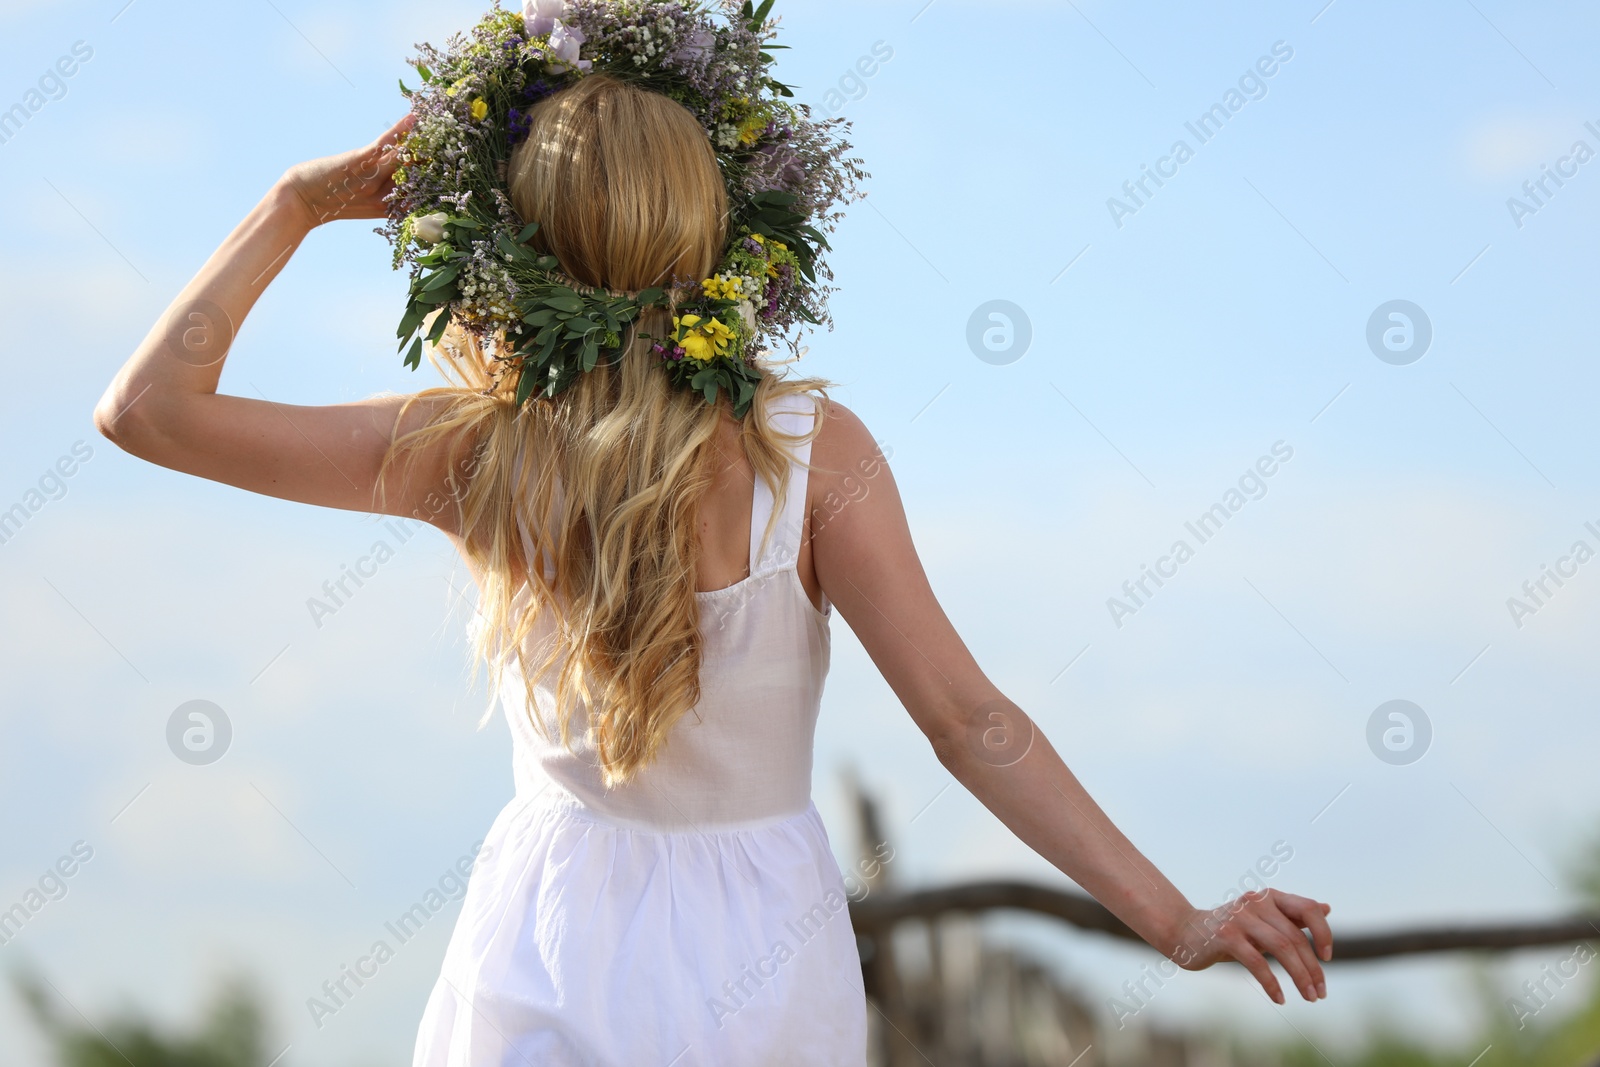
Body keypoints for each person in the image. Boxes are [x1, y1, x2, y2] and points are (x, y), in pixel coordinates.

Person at [94, 69, 1332, 1067]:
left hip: (548, 932)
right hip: (764, 945)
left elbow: (145, 412)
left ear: (512, 245)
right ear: (712, 228)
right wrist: (1179, 918)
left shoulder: (464, 452)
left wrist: (295, 204)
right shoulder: (809, 455)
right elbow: (967, 722)